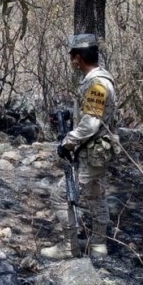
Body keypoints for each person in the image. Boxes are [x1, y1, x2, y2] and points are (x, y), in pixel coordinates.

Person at [41, 33, 119, 259]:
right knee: (96, 195)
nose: (72, 62)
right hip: (96, 151)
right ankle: (98, 245)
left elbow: (91, 123)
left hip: (91, 151)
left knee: (60, 196)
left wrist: (68, 142)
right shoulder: (99, 80)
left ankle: (69, 247)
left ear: (78, 58)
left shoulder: (97, 84)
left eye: (72, 57)